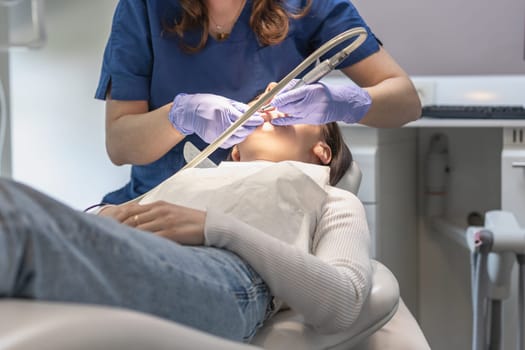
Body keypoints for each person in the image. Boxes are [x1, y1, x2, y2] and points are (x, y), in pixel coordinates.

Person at [0, 111, 371, 342]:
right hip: (147, 253)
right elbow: (88, 229)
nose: (272, 101)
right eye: (265, 98)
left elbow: (345, 302)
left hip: (229, 276)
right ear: (235, 151)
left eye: (296, 107)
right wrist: (104, 217)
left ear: (321, 151)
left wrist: (217, 229)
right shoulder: (198, 178)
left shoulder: (331, 198)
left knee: (17, 219)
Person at [95, 0, 421, 205]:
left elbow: (406, 101)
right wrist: (180, 115)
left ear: (321, 155)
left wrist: (341, 102)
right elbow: (120, 145)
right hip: (147, 205)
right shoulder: (143, 7)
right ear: (234, 153)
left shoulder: (310, 7)